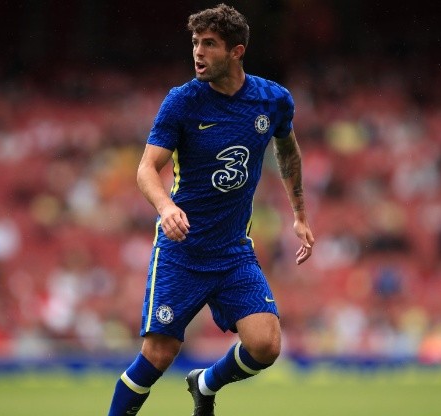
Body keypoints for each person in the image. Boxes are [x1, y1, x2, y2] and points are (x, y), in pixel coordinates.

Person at [107, 4, 314, 415]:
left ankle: (205, 383)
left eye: (209, 44)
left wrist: (300, 213)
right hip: (182, 251)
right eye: (195, 43)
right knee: (157, 356)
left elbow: (287, 152)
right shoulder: (183, 102)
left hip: (233, 250)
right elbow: (147, 168)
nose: (198, 52)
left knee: (266, 345)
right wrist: (165, 207)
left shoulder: (272, 100)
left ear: (236, 51)